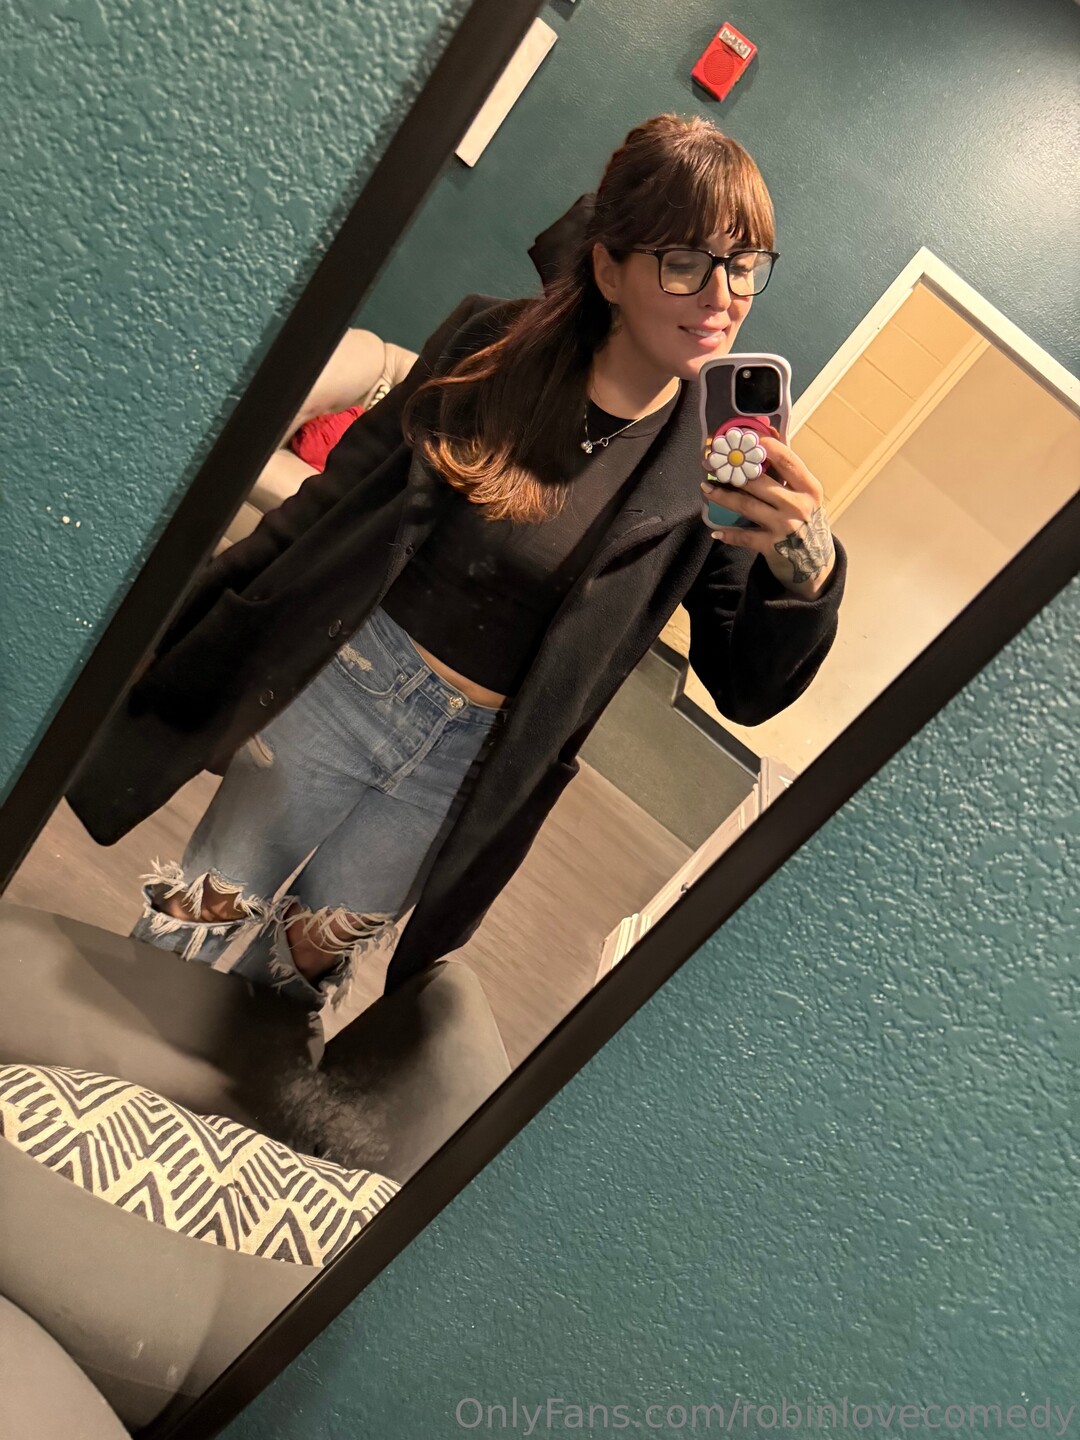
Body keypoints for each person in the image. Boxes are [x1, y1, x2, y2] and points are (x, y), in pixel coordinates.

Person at [67, 113, 847, 1010]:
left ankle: (215, 1100)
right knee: (196, 920)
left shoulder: (711, 463)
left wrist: (805, 572)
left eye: (745, 265)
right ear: (610, 269)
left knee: (301, 974)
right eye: (686, 263)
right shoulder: (489, 346)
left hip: (470, 765)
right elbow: (334, 504)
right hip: (348, 686)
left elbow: (745, 689)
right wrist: (198, 617)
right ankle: (98, 1079)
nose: (723, 296)